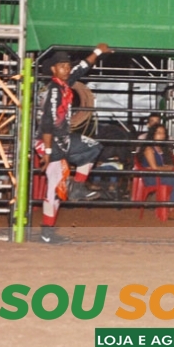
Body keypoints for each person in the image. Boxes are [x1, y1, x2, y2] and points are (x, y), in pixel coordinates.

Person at [36, 46, 111, 244]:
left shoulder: (63, 84)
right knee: (55, 188)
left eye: (67, 66)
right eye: (63, 66)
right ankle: (46, 231)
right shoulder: (54, 91)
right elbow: (47, 122)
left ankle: (77, 187)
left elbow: (81, 68)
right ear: (54, 69)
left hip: (60, 140)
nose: (67, 69)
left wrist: (97, 52)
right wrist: (48, 150)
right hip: (50, 141)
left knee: (92, 147)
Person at [138, 123, 174, 220]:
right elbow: (154, 168)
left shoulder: (162, 149)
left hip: (161, 175)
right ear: (152, 134)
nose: (161, 135)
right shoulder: (149, 149)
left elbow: (163, 166)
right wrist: (168, 168)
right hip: (152, 178)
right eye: (158, 133)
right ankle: (171, 209)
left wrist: (165, 167)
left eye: (163, 133)